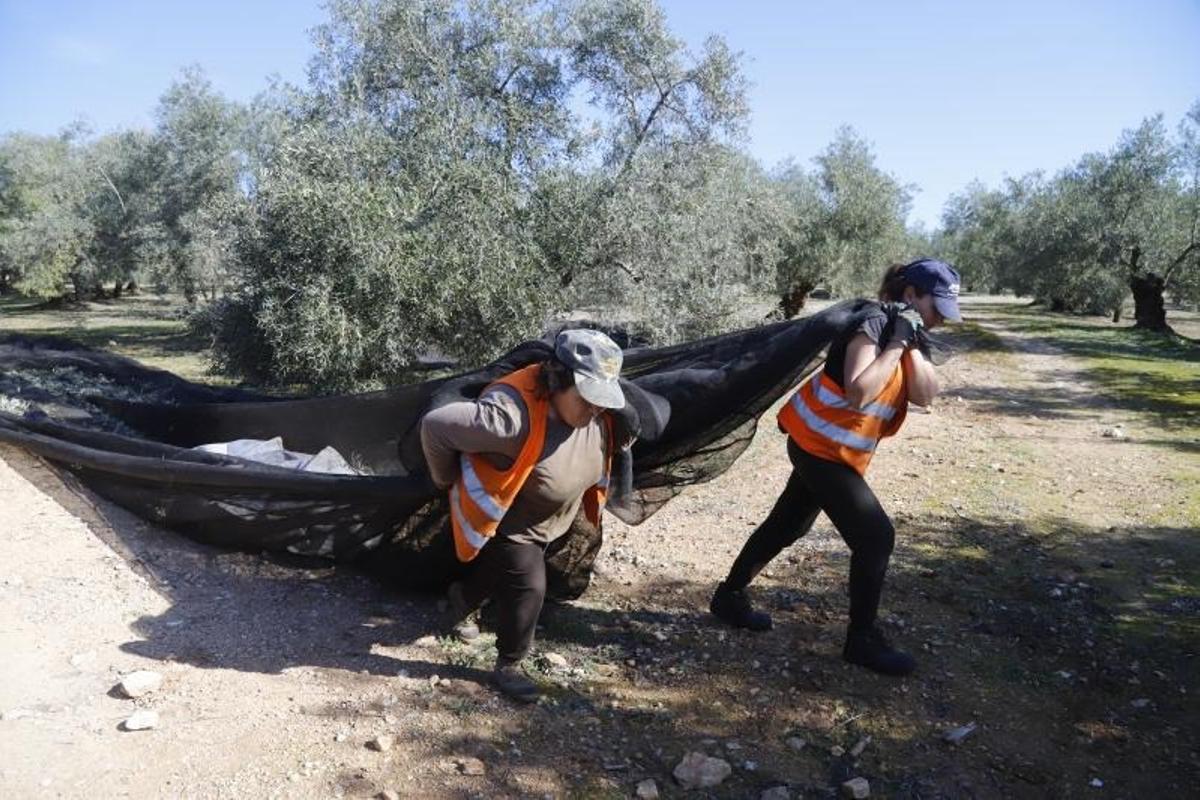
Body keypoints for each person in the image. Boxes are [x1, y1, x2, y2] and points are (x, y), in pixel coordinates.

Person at [708, 258, 962, 676]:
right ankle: (861, 641)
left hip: (832, 450)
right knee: (876, 537)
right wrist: (897, 341)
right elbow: (861, 391)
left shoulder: (908, 331)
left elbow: (925, 395)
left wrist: (912, 342)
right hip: (817, 447)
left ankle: (729, 597)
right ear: (911, 294)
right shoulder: (875, 323)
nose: (940, 321)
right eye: (935, 308)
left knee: (788, 525)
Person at [420, 329, 625, 702]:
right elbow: (435, 427)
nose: (597, 409)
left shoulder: (593, 412)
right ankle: (510, 663)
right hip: (511, 520)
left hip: (553, 517)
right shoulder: (507, 419)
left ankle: (461, 600)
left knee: (503, 571)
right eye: (588, 399)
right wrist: (444, 480)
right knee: (530, 586)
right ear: (559, 381)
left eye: (603, 400)